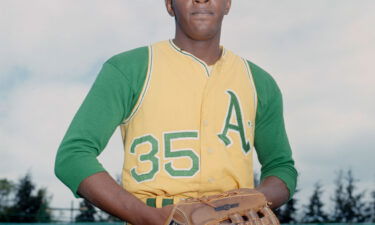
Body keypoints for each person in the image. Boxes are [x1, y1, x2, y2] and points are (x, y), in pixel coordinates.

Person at [55, 0, 297, 224]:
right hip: (150, 216)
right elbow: (73, 156)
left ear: (228, 4)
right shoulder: (130, 68)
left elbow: (281, 167)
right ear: (170, 5)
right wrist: (154, 219)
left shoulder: (259, 82)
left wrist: (254, 199)